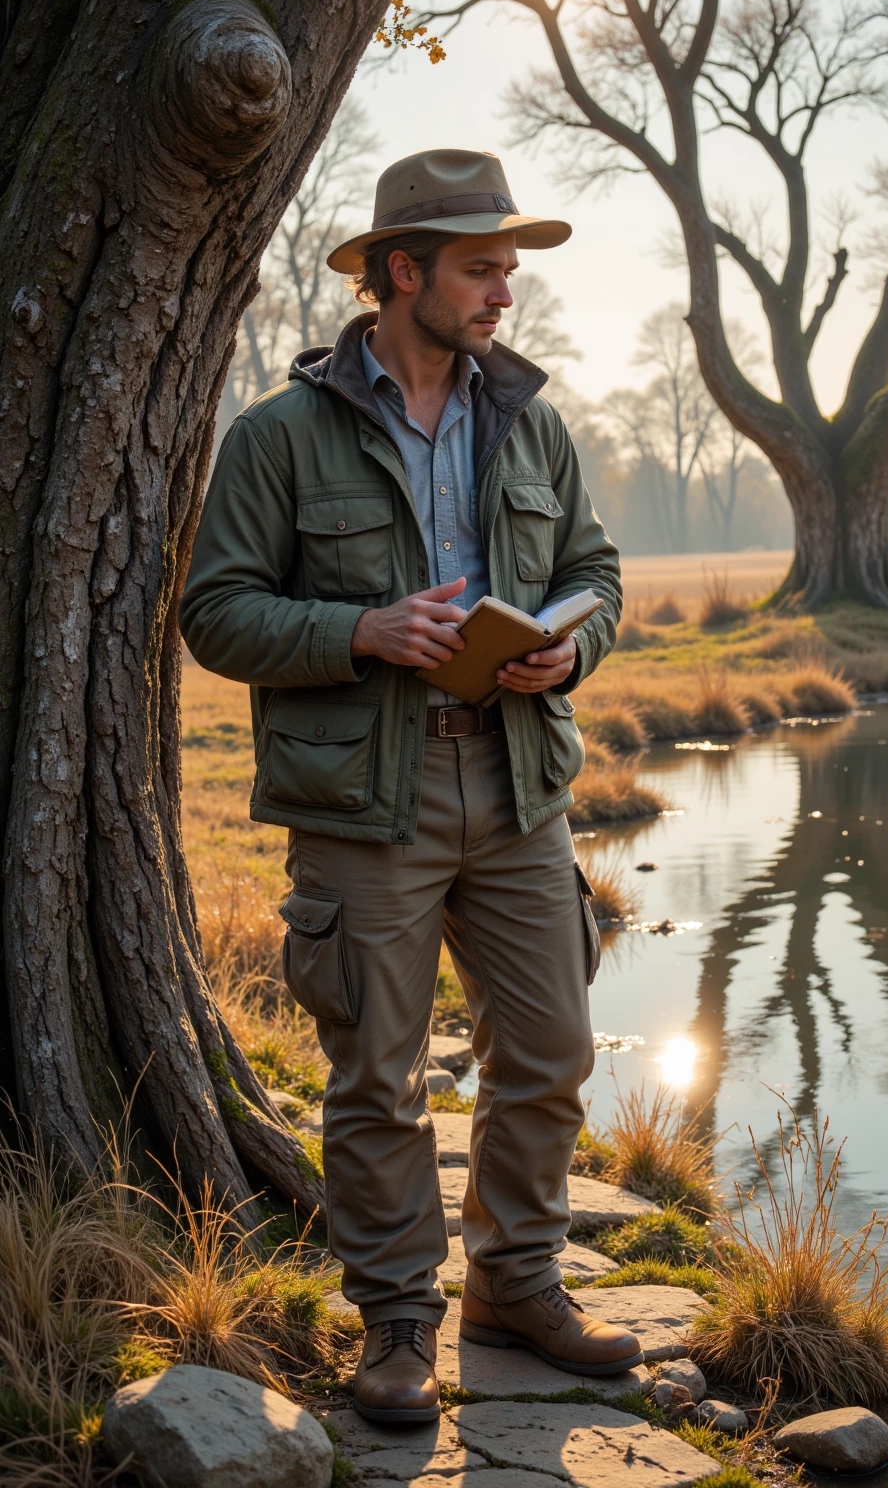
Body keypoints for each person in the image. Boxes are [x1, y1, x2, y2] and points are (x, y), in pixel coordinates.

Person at [179, 148, 636, 1424]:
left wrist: (570, 645)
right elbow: (212, 614)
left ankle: (519, 1288)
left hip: (519, 785)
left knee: (546, 1051)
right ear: (401, 272)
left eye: (509, 270)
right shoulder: (277, 435)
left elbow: (597, 571)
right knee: (376, 1078)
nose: (504, 294)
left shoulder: (533, 419)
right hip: (361, 807)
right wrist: (359, 632)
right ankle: (395, 1324)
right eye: (482, 269)